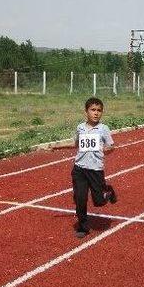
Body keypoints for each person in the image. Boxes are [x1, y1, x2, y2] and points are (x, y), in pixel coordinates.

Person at [51, 97, 117, 238]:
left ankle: (108, 192)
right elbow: (76, 144)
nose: (96, 113)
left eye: (99, 110)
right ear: (86, 112)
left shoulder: (103, 129)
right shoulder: (80, 128)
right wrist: (58, 146)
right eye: (93, 110)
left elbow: (111, 145)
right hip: (79, 169)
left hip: (95, 170)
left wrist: (108, 149)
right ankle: (83, 226)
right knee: (80, 198)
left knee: (98, 202)